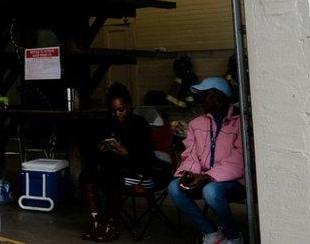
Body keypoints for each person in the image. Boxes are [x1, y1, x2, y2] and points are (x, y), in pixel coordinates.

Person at [167, 77, 245, 244]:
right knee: (175, 187)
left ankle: (233, 236)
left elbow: (240, 160)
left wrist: (208, 176)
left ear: (219, 97)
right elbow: (190, 154)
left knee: (210, 191)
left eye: (205, 95)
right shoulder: (196, 123)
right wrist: (188, 173)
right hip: (203, 178)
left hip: (234, 181)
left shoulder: (240, 123)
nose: (200, 98)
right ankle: (211, 233)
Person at [80, 83, 156, 242]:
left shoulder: (140, 124)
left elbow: (147, 157)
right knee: (87, 173)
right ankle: (97, 222)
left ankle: (111, 224)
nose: (117, 114)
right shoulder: (109, 123)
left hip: (138, 170)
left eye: (121, 109)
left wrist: (127, 152)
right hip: (113, 167)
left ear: (129, 106)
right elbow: (96, 154)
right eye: (113, 111)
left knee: (112, 172)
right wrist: (101, 149)